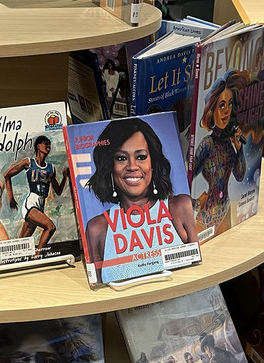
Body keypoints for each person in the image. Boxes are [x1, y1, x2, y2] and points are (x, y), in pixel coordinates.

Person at [84, 117, 198, 280]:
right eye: (121, 158)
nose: (132, 166)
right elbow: (98, 294)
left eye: (141, 156)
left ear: (153, 162)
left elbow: (201, 272)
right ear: (110, 166)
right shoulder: (97, 228)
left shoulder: (180, 207)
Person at [192, 70, 250, 235]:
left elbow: (239, 176)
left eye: (230, 104)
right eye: (222, 105)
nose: (226, 111)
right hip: (205, 220)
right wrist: (195, 203)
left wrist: (240, 150)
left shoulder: (229, 143)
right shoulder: (206, 145)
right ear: (212, 110)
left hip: (226, 211)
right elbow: (181, 182)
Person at [3, 136, 69, 259]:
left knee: (21, 241)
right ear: (38, 146)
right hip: (31, 203)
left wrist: (65, 177)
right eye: (45, 144)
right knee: (50, 227)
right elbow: (7, 175)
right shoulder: (29, 162)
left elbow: (58, 191)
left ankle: (8, 259)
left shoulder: (51, 168)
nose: (48, 147)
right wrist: (11, 198)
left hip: (40, 205)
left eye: (49, 145)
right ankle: (37, 257)